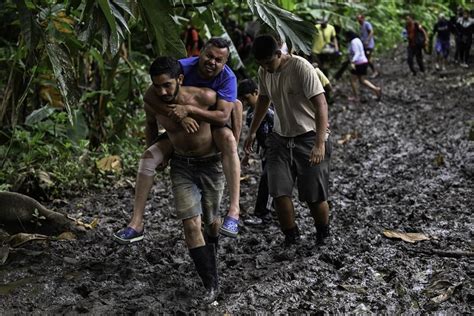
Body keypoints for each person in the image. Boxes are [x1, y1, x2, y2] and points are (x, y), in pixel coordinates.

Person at [114, 38, 242, 243]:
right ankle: (136, 222)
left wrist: (189, 110)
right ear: (200, 53)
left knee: (228, 137)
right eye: (209, 56)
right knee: (148, 157)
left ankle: (234, 211)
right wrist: (179, 116)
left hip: (211, 127)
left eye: (219, 60)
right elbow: (150, 97)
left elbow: (225, 115)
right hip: (178, 132)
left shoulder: (226, 80)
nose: (212, 62)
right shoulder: (180, 67)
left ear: (225, 63)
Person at [144, 56, 223, 302]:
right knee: (190, 224)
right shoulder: (153, 102)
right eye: (157, 86)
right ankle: (210, 284)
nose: (163, 91)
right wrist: (158, 153)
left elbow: (227, 115)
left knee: (211, 222)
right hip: (181, 165)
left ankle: (212, 245)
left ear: (180, 79)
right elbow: (150, 125)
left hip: (211, 164)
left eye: (167, 85)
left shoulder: (204, 97)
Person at [244, 34, 331, 246]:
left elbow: (321, 105)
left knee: (314, 196)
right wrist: (252, 131)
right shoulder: (264, 71)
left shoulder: (300, 67)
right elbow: (263, 99)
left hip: (309, 135)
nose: (266, 67)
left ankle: (323, 233)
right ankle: (291, 236)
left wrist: (319, 144)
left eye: (268, 62)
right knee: (278, 191)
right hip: (280, 138)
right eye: (261, 64)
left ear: (278, 54)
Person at [238, 79, 274, 225]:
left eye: (247, 98)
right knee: (270, 180)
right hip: (265, 150)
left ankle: (261, 212)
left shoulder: (270, 108)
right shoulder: (251, 114)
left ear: (256, 93)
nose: (245, 103)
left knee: (267, 181)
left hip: (276, 149)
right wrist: (247, 155)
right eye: (243, 100)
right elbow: (251, 137)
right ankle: (271, 211)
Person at [345, 30, 381, 102]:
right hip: (363, 61)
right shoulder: (358, 40)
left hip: (358, 63)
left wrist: (353, 61)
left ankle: (356, 97)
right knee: (362, 80)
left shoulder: (353, 42)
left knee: (353, 80)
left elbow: (357, 53)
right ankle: (376, 89)